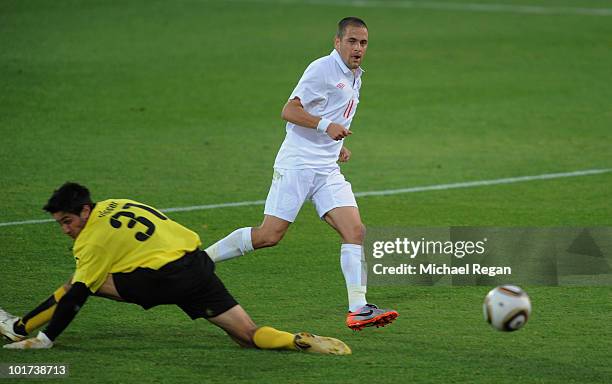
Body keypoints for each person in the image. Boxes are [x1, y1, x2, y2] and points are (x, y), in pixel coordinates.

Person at [204, 17, 398, 330]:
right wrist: (325, 126)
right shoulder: (322, 69)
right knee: (269, 236)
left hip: (326, 168)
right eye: (352, 41)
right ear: (337, 42)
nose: (358, 48)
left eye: (363, 43)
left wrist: (336, 147)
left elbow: (332, 113)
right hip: (298, 164)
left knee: (355, 231)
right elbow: (289, 111)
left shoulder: (355, 75)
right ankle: (200, 261)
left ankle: (358, 308)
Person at [0, 182, 350, 355]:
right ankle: (295, 340)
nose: (65, 229)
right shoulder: (118, 203)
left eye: (67, 221)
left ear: (86, 212)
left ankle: (21, 328)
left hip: (161, 280)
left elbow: (77, 296)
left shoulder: (90, 242)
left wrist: (48, 339)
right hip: (196, 266)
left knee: (80, 282)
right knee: (247, 335)